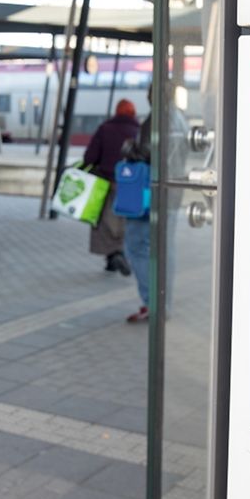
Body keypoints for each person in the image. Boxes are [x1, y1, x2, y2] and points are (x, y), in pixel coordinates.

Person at [123, 88, 189, 323]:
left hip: (152, 193)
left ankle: (152, 302)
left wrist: (130, 148)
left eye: (151, 93)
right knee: (165, 249)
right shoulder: (181, 119)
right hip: (173, 191)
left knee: (136, 245)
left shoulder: (157, 119)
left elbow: (149, 153)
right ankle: (162, 305)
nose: (148, 97)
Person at [82, 98, 140, 275]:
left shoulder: (105, 129)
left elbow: (89, 157)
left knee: (103, 221)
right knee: (124, 220)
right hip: (129, 184)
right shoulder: (137, 131)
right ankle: (119, 253)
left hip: (105, 182)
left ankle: (112, 255)